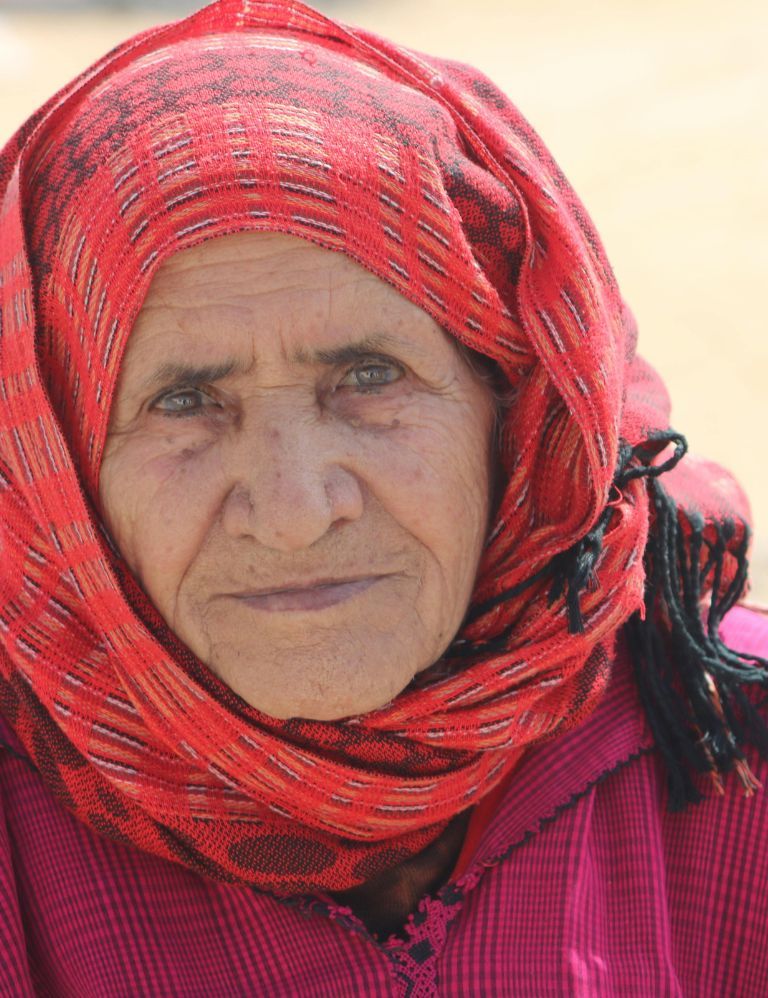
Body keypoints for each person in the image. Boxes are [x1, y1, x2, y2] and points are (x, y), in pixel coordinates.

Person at [0, 0, 766, 993]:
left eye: (369, 376)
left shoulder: (725, 742)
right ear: (54, 465)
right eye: (184, 400)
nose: (295, 509)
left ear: (518, 407)